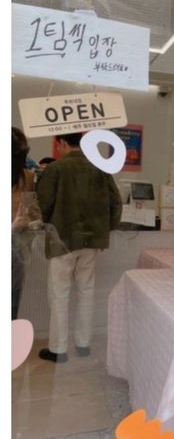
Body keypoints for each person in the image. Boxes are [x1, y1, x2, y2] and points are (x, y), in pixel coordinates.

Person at [36, 132, 122, 363]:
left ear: (62, 143)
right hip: (92, 240)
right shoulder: (101, 167)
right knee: (87, 290)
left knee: (59, 293)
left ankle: (58, 349)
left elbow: (44, 203)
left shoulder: (55, 169)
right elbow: (116, 202)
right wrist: (106, 228)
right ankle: (83, 344)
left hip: (62, 238)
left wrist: (48, 223)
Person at [12, 127, 35, 319]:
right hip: (17, 242)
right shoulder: (27, 176)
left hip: (17, 243)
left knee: (13, 298)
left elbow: (31, 210)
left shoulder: (27, 177)